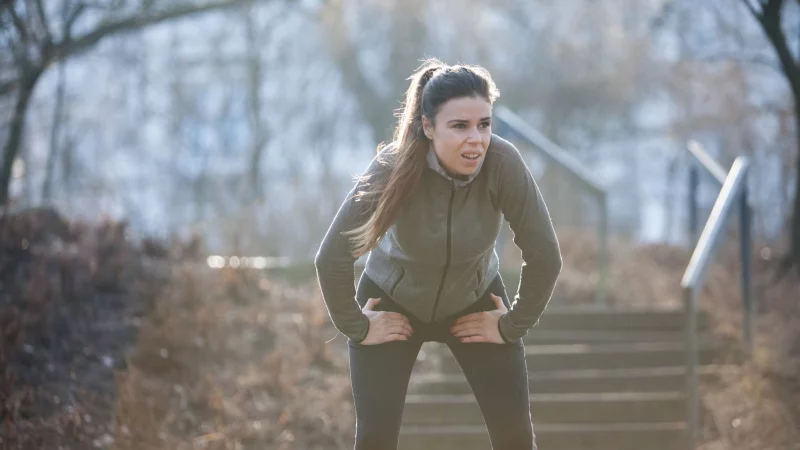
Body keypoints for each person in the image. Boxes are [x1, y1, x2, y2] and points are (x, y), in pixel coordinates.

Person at [314, 58, 562, 450]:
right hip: (392, 302)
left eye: (484, 124)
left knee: (515, 439)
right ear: (428, 127)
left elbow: (545, 254)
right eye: (459, 126)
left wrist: (511, 325)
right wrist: (358, 327)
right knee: (375, 440)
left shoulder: (503, 163)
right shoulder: (392, 166)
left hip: (474, 299)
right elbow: (331, 257)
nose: (476, 139)